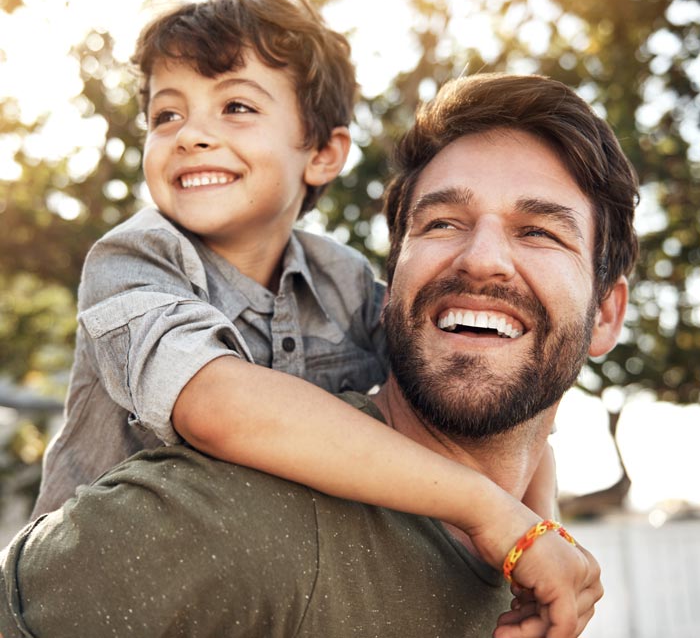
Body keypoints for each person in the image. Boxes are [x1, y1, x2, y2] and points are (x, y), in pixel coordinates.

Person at [0, 71, 638, 638]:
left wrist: (534, 528)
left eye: (539, 232)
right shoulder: (229, 522)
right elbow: (215, 403)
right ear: (394, 291)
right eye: (441, 223)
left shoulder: (525, 563)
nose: (481, 258)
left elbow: (530, 444)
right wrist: (509, 521)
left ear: (607, 313)